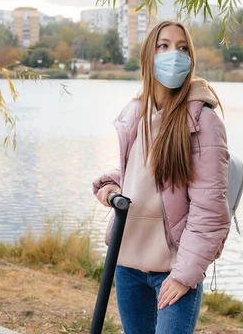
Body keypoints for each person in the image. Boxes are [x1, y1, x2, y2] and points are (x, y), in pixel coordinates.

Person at [92, 20, 230, 334]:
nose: (174, 54)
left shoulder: (203, 121)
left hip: (172, 269)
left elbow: (210, 209)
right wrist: (109, 184)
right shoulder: (136, 112)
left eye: (183, 48)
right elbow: (140, 171)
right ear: (148, 56)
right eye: (164, 46)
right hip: (127, 262)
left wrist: (184, 274)